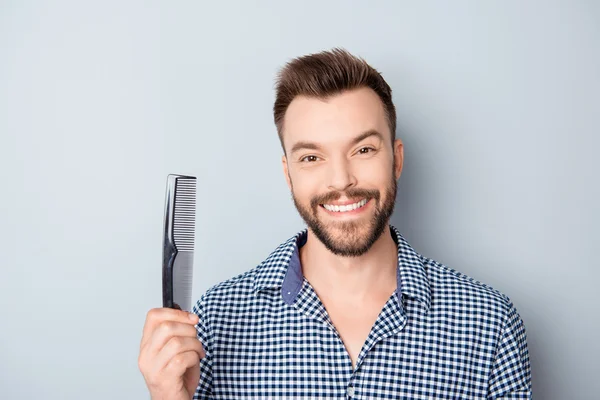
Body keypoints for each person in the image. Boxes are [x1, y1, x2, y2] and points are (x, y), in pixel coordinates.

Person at [138, 48, 532, 399]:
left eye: (363, 149)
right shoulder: (214, 321)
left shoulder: (489, 324)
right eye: (312, 157)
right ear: (288, 174)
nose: (341, 181)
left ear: (396, 160)